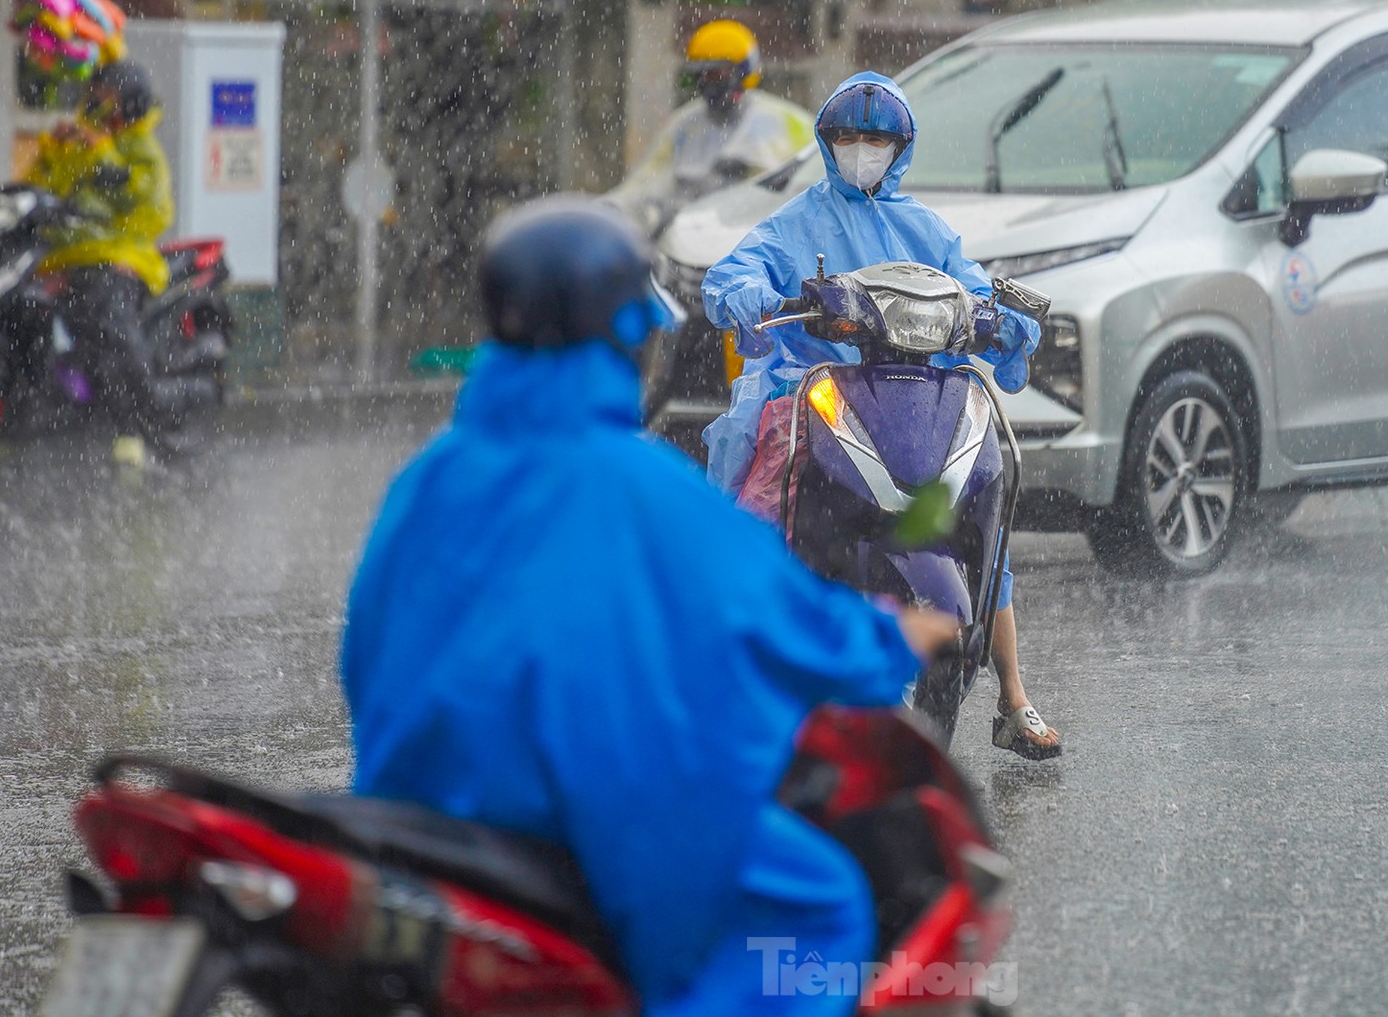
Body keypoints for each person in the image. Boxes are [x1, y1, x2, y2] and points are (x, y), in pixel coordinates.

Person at [341, 197, 962, 1017]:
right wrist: (890, 638)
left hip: (410, 813)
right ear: (628, 337)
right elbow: (779, 618)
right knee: (820, 902)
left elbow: (366, 653)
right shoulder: (638, 485)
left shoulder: (430, 478)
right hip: (568, 812)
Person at [702, 71, 1063, 761]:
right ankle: (737, 664)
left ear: (902, 148)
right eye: (849, 136)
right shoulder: (797, 222)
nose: (862, 148)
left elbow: (975, 288)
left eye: (878, 138)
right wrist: (745, 294)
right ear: (827, 141)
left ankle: (1013, 697)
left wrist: (1007, 322)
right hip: (820, 387)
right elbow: (733, 273)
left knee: (981, 505)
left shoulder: (925, 228)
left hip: (924, 393)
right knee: (758, 495)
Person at [25, 58, 176, 445]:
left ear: (129, 104)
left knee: (113, 328)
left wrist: (103, 151)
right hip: (66, 257)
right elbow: (46, 187)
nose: (96, 106)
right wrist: (55, 150)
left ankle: (142, 423)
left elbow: (140, 197)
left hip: (121, 256)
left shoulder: (141, 148)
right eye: (93, 97)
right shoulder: (85, 139)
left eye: (106, 99)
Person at [606, 19, 813, 234]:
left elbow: (804, 192)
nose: (709, 83)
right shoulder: (685, 124)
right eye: (701, 74)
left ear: (743, 71)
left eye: (717, 74)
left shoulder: (789, 123)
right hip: (689, 241)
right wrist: (611, 209)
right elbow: (646, 182)